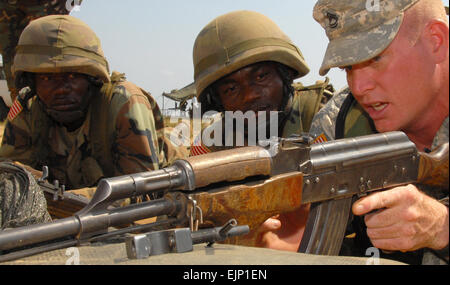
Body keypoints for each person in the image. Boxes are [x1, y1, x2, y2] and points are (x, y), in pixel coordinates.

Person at [260, 0, 449, 264]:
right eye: (348, 67)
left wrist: (442, 228)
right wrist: (286, 247)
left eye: (375, 58)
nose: (359, 86)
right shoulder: (340, 123)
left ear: (436, 42)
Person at [188, 10, 334, 249]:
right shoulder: (211, 144)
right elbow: (189, 220)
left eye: (261, 76)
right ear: (219, 102)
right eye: (231, 89)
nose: (250, 95)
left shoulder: (324, 117)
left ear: (284, 73)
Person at [0, 15, 168, 193]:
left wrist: (62, 201)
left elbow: (143, 195)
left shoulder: (123, 103)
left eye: (72, 76)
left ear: (92, 78)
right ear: (32, 82)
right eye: (47, 78)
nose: (61, 89)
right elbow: (8, 180)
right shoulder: (28, 107)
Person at [0, 0, 80, 120]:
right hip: (6, 9)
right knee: (16, 75)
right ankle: (26, 127)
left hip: (44, 5)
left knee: (51, 64)